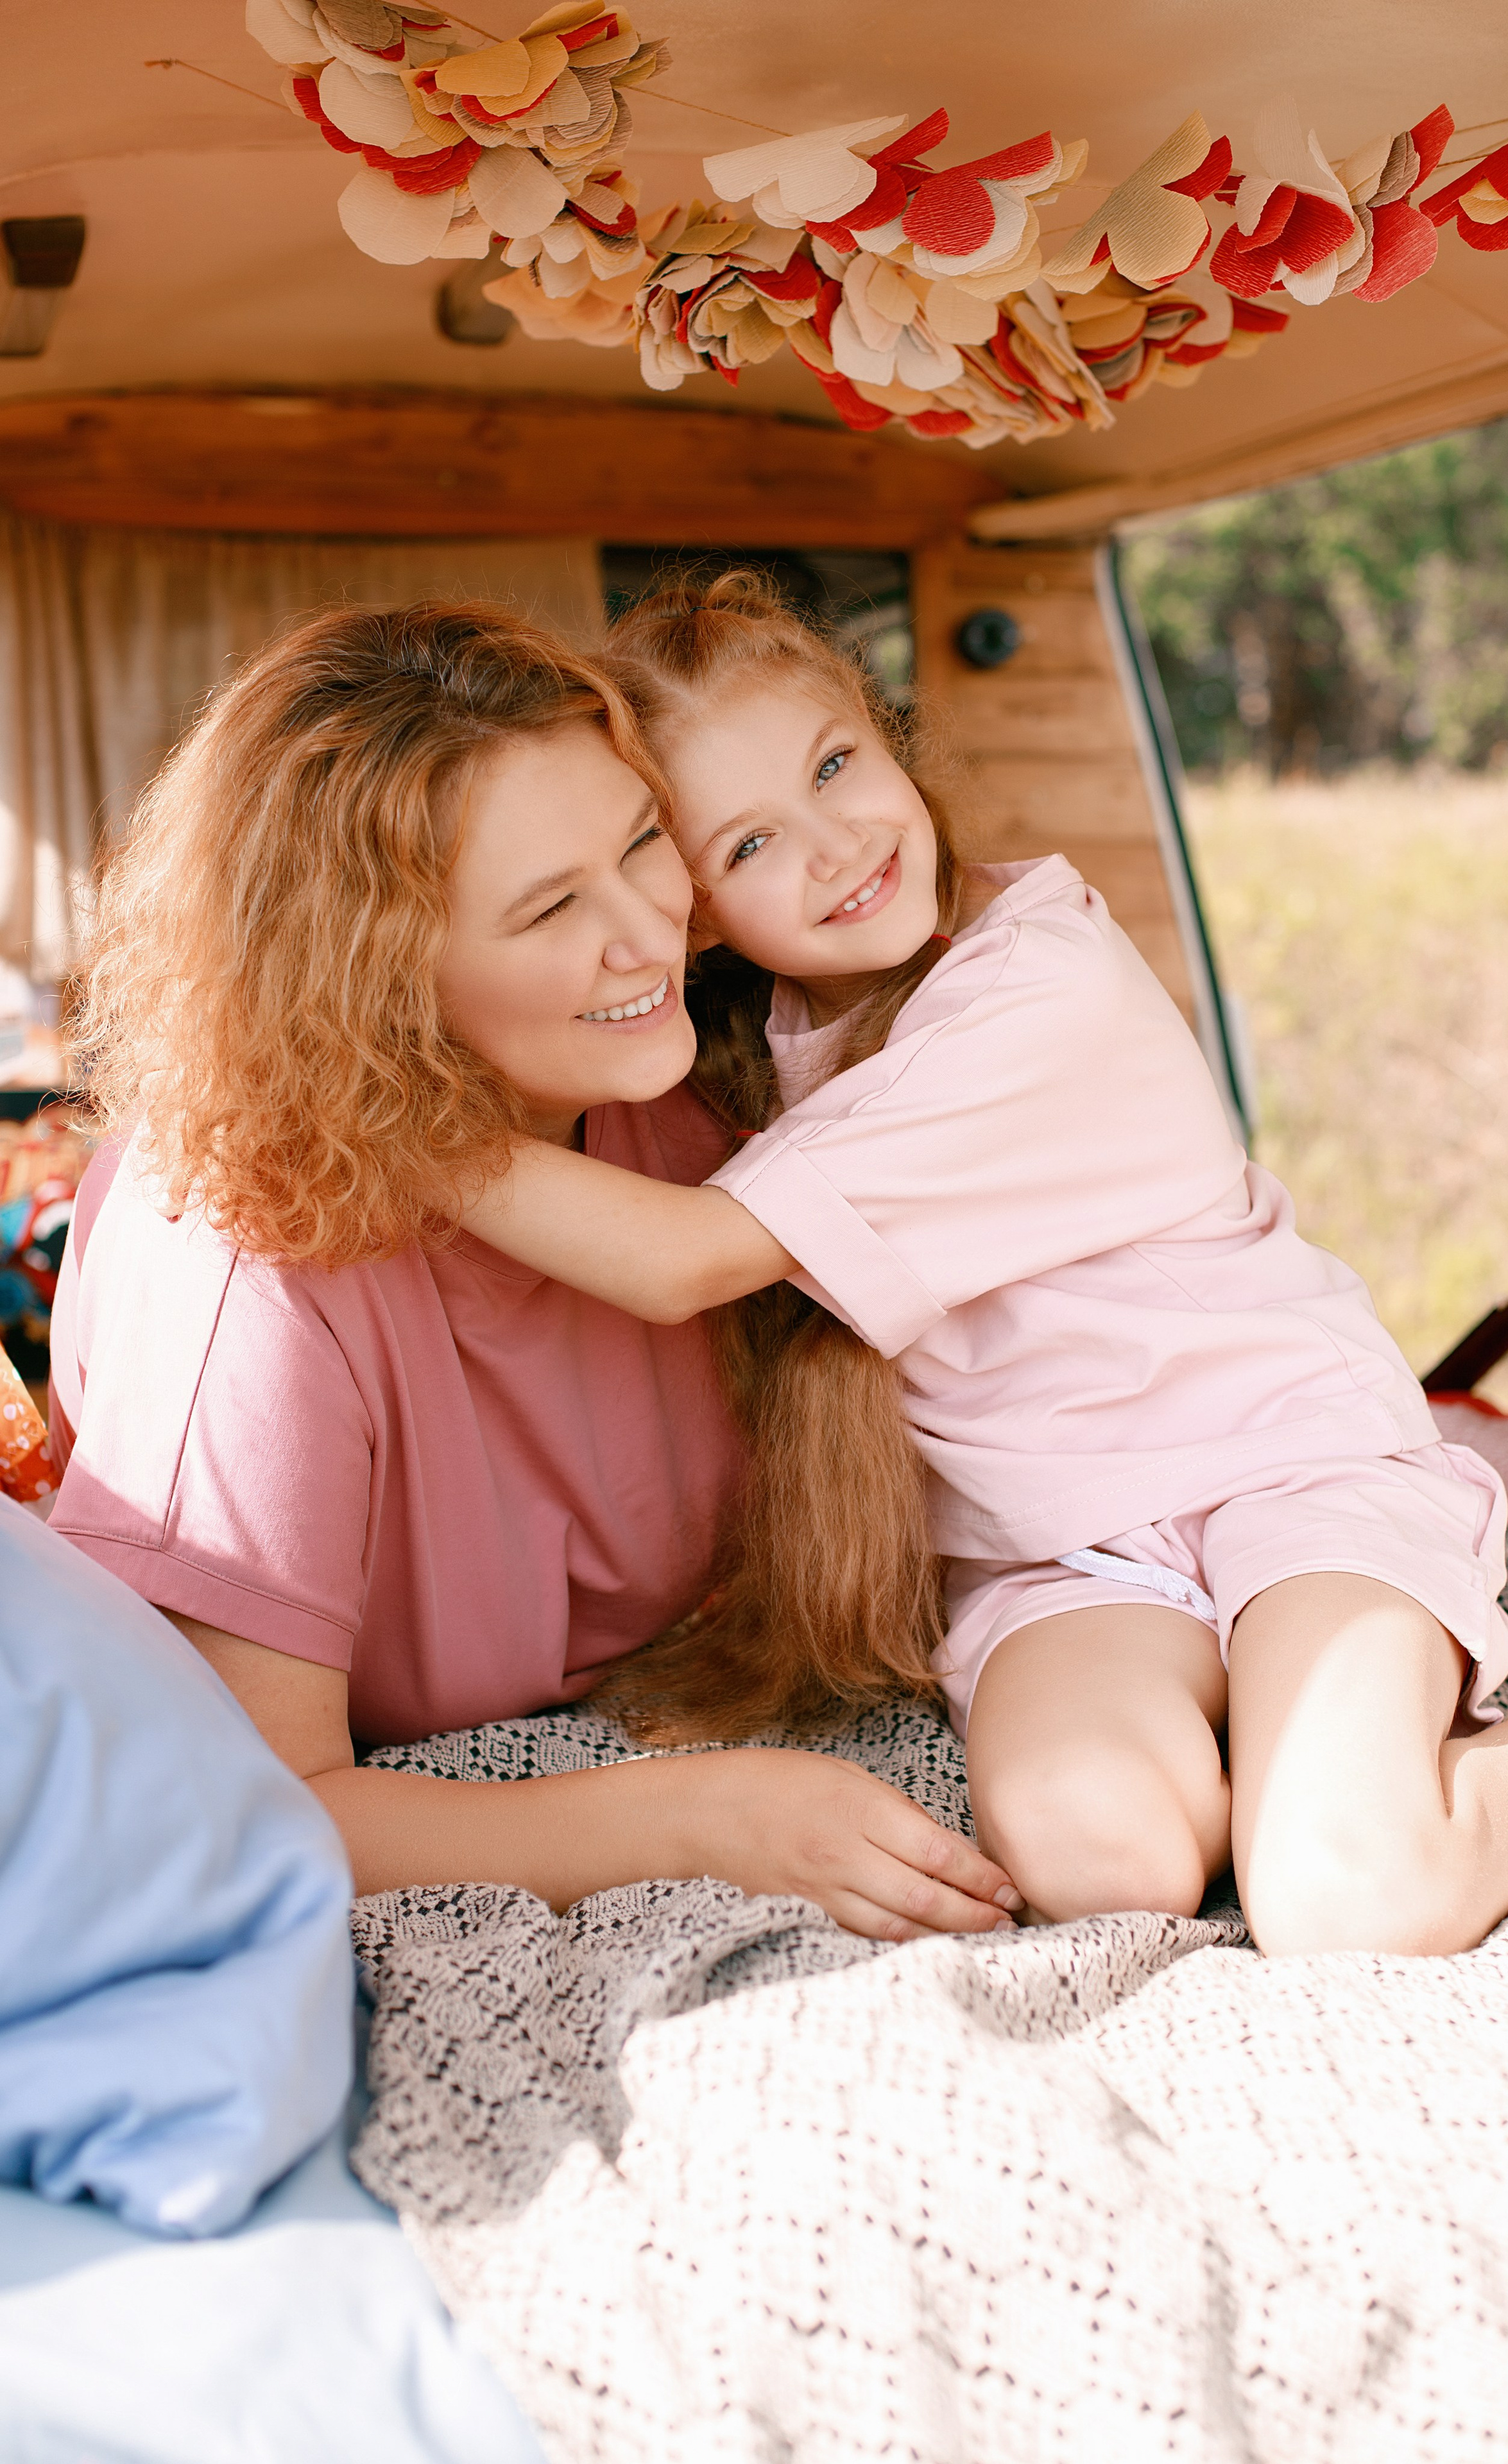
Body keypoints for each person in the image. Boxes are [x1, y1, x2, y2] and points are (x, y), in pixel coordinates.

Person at [462, 574, 1508, 1957]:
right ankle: (1268, 1734)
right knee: (1104, 1862)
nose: (837, 845)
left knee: (1348, 1901)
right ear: (699, 910)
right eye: (752, 841)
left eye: (835, 764)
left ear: (886, 731)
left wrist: (375, 1125)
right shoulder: (765, 1048)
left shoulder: (1041, 986)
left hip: (1283, 1468)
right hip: (1059, 1550)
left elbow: (678, 1261)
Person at [49, 602, 1021, 1946]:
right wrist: (704, 1821)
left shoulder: (714, 1076)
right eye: (553, 907)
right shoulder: (232, 1262)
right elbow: (238, 1809)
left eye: (642, 842)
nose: (651, 936)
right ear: (377, 981)